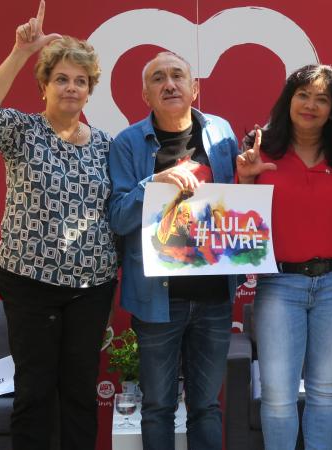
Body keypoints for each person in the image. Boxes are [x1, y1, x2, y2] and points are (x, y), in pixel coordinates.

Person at [0, 2, 118, 449]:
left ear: (90, 90)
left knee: (79, 393)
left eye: (80, 81)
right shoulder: (23, 131)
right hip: (28, 282)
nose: (71, 88)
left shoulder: (108, 147)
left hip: (91, 287)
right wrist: (20, 52)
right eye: (61, 79)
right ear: (45, 86)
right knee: (34, 392)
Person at [108, 51, 240, 450]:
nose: (169, 84)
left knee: (206, 407)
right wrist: (158, 183)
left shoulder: (221, 132)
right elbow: (117, 217)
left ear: (194, 87)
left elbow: (234, 202)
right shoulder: (127, 143)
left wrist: (246, 174)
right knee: (159, 406)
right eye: (158, 79)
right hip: (157, 300)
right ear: (145, 94)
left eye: (178, 75)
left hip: (214, 297)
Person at [236, 64, 332, 450]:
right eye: (303, 95)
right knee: (277, 396)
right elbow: (240, 228)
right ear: (288, 99)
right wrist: (245, 179)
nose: (310, 105)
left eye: (322, 99)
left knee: (326, 393)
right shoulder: (261, 149)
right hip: (280, 286)